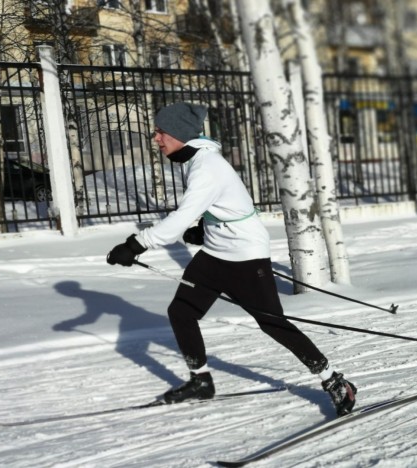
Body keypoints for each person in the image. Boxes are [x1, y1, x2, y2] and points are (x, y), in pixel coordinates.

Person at [107, 102, 357, 416]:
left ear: (180, 133)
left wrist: (135, 245)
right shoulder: (194, 159)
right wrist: (205, 228)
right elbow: (223, 203)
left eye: (161, 132)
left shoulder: (206, 167)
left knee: (272, 323)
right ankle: (200, 380)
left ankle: (333, 379)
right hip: (216, 253)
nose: (156, 138)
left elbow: (179, 218)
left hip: (245, 256)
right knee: (181, 312)